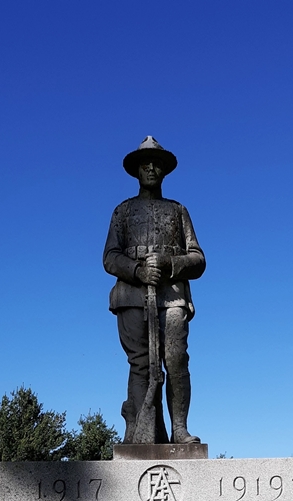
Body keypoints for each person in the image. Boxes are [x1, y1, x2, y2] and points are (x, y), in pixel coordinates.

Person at [103, 137, 206, 444]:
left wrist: (169, 264)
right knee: (142, 365)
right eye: (144, 164)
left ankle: (179, 429)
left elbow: (198, 260)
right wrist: (137, 271)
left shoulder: (178, 210)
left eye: (156, 164)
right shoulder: (122, 211)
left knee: (175, 358)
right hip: (131, 297)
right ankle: (139, 431)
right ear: (136, 171)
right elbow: (110, 257)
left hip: (172, 295)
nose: (150, 168)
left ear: (164, 171)